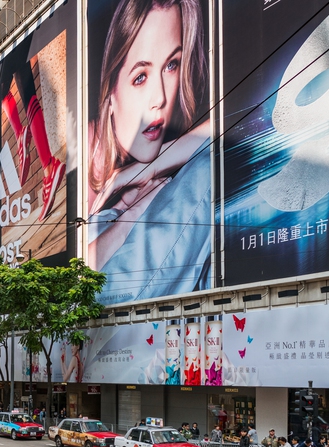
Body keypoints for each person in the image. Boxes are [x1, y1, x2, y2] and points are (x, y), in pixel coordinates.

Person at [87, 0, 211, 303]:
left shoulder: (190, 166)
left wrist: (150, 167)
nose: (160, 97)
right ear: (111, 96)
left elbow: (234, 122)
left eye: (172, 65)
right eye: (140, 77)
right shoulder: (94, 200)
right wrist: (134, 212)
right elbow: (77, 277)